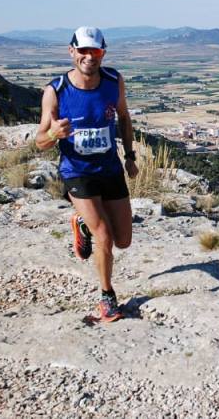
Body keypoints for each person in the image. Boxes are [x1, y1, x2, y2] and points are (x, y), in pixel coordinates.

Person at [36, 26, 138, 322]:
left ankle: (81, 220)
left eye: (95, 51)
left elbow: (124, 117)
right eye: (83, 51)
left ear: (103, 53)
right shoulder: (55, 91)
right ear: (72, 52)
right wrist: (53, 134)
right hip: (77, 171)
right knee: (103, 236)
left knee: (124, 240)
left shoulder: (113, 81)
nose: (89, 57)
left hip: (110, 169)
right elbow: (40, 141)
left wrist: (130, 156)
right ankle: (107, 297)